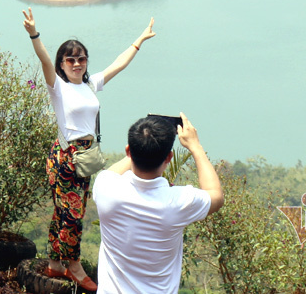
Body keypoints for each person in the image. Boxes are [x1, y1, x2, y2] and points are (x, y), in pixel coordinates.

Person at [22, 8, 157, 292]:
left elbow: (118, 65)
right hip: (66, 157)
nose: (76, 63)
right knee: (73, 215)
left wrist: (139, 40)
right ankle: (74, 267)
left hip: (83, 158)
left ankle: (55, 264)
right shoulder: (57, 86)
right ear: (62, 63)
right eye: (70, 59)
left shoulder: (90, 84)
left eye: (81, 58)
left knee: (64, 212)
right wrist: (34, 33)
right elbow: (43, 58)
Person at [92, 113, 225, 294]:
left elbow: (113, 172)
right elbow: (216, 196)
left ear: (128, 151)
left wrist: (141, 146)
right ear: (169, 158)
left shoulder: (105, 187)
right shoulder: (178, 202)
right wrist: (196, 147)